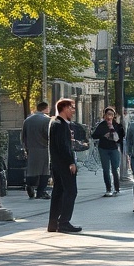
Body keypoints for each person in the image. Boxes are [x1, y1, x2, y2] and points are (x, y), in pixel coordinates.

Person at [47, 97, 81, 233]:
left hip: (56, 163)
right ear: (65, 108)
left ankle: (53, 223)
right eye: (72, 107)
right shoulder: (60, 125)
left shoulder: (55, 123)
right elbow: (63, 146)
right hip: (64, 164)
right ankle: (64, 222)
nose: (73, 111)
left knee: (58, 192)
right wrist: (71, 162)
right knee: (71, 191)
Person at [91, 106, 125, 197]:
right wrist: (103, 135)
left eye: (111, 114)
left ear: (114, 116)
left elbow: (122, 137)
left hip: (114, 148)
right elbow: (94, 135)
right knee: (106, 170)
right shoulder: (101, 125)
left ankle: (117, 188)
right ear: (105, 115)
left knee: (115, 169)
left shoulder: (117, 125)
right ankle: (108, 189)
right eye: (107, 114)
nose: (109, 116)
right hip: (103, 148)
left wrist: (115, 135)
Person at [21, 101, 51, 199]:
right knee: (44, 171)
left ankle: (29, 185)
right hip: (44, 148)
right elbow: (49, 135)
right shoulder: (47, 120)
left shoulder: (28, 120)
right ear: (46, 109)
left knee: (32, 170)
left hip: (31, 149)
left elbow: (23, 136)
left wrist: (26, 147)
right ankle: (41, 191)